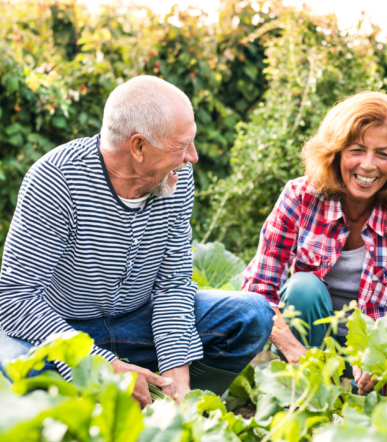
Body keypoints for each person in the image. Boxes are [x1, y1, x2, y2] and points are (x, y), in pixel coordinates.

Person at [0, 75, 274, 406]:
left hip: (138, 326)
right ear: (139, 146)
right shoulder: (57, 180)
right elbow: (15, 298)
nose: (193, 156)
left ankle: (169, 405)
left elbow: (172, 285)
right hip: (64, 329)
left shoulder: (175, 177)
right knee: (16, 366)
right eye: (182, 144)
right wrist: (96, 360)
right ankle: (94, 402)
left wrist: (178, 384)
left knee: (253, 315)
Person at [243, 91, 387, 395]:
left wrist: (380, 356)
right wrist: (297, 354)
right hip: (304, 348)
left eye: (383, 154)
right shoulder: (300, 197)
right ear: (336, 150)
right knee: (304, 287)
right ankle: (300, 394)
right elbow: (258, 291)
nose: (368, 165)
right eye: (357, 150)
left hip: (372, 359)